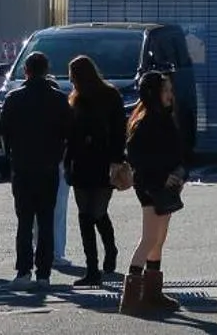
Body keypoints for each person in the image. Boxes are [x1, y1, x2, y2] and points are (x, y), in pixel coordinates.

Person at [0, 50, 75, 290]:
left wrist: (10, 154)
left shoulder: (14, 98)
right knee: (46, 221)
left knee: (24, 221)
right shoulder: (59, 99)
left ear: (26, 71)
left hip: (22, 166)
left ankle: (23, 271)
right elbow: (69, 133)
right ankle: (44, 273)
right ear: (46, 70)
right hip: (49, 167)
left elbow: (3, 132)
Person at [121, 70, 185, 317]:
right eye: (166, 90)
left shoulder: (164, 118)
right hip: (150, 186)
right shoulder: (146, 122)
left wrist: (178, 174)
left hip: (166, 185)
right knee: (149, 238)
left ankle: (152, 292)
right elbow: (139, 158)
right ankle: (132, 297)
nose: (171, 95)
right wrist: (162, 176)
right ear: (155, 93)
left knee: (159, 239)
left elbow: (175, 152)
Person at [65, 54, 128, 288]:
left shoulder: (106, 97)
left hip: (99, 162)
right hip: (86, 163)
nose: (71, 81)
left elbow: (119, 131)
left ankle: (108, 252)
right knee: (87, 215)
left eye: (72, 76)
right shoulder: (80, 99)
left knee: (96, 212)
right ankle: (93, 267)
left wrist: (117, 159)